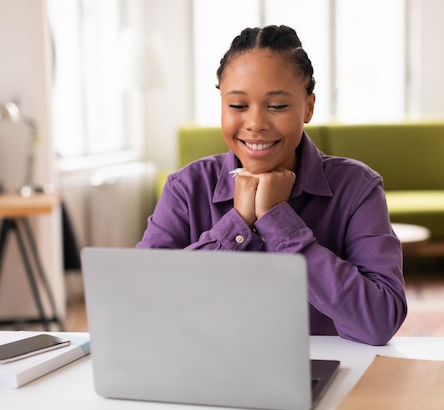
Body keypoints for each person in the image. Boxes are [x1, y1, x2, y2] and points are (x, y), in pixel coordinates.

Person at [137, 25, 407, 346]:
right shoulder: (186, 188)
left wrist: (280, 222)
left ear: (308, 107)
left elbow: (380, 320)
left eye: (277, 106)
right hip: (205, 369)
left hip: (323, 371)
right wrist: (237, 225)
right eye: (237, 106)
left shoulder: (357, 187)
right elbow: (142, 304)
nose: (255, 124)